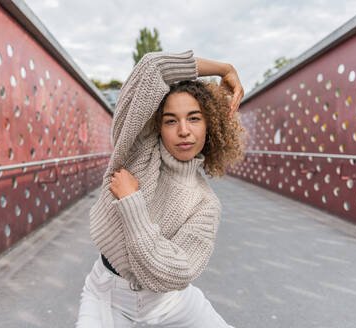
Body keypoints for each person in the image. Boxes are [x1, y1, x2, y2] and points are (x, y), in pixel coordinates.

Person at [75, 49, 245, 328]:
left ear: (210, 125)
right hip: (107, 295)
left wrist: (132, 204)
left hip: (172, 303)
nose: (183, 130)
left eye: (194, 118)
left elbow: (169, 274)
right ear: (158, 125)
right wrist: (224, 69)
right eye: (170, 120)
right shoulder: (135, 150)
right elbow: (153, 66)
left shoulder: (205, 204)